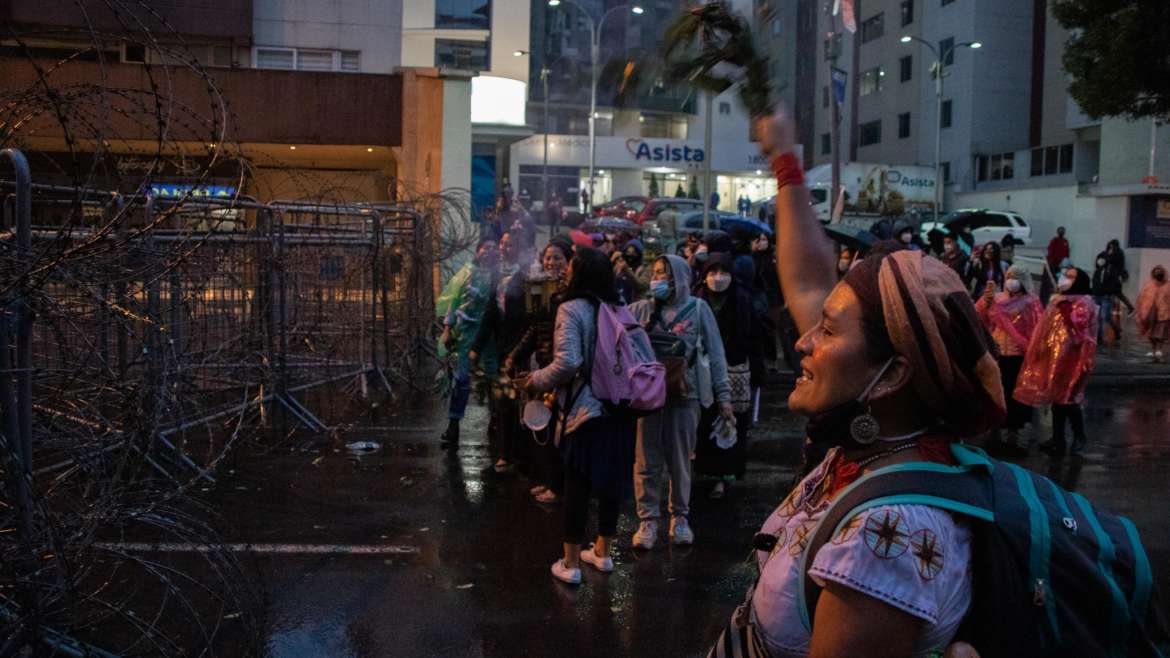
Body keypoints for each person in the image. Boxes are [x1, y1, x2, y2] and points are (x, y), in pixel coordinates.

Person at [712, 107, 1006, 658]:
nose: (802, 342)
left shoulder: (888, 534)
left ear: (892, 375)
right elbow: (807, 281)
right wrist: (784, 160)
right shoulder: (876, 443)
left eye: (826, 330)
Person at [523, 247, 638, 585]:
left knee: (577, 484)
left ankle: (570, 563)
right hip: (621, 406)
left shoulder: (571, 309)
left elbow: (568, 361)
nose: (566, 272)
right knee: (612, 482)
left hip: (586, 410)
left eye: (571, 267)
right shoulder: (619, 307)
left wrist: (535, 380)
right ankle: (602, 552)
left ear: (580, 274)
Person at [629, 255, 734, 548]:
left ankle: (680, 517)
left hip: (687, 395)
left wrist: (724, 396)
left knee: (681, 460)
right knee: (646, 460)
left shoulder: (698, 309)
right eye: (656, 273)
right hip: (648, 397)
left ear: (681, 277)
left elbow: (716, 354)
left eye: (665, 274)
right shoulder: (641, 309)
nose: (658, 279)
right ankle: (648, 520)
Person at [694, 254, 763, 499]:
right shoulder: (697, 298)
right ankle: (704, 472)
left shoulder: (742, 299)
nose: (718, 277)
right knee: (703, 422)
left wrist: (757, 372)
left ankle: (723, 477)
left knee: (729, 423)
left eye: (723, 272)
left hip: (734, 369)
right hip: (702, 371)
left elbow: (753, 337)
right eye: (713, 272)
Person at [510, 241, 574, 503]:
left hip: (561, 368)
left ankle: (559, 487)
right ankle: (550, 482)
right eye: (548, 258)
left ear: (569, 262)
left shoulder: (570, 294)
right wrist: (515, 355)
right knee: (543, 426)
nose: (551, 263)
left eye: (558, 258)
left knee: (559, 430)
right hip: (543, 364)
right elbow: (536, 328)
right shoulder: (541, 290)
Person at [1014, 267, 1098, 458]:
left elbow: (1080, 333)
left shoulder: (1084, 302)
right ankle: (1057, 438)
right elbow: (1046, 328)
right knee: (1056, 398)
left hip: (1074, 360)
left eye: (1070, 277)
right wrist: (1040, 349)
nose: (1065, 279)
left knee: (1069, 399)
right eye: (1065, 275)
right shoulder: (1057, 300)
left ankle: (1078, 435)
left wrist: (1066, 309)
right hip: (1054, 358)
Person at [469, 232, 534, 472]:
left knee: (519, 403)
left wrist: (517, 352)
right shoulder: (498, 275)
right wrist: (476, 347)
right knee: (504, 402)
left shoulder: (527, 277)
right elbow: (490, 313)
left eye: (511, 244)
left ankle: (518, 455)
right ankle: (507, 454)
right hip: (502, 348)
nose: (505, 248)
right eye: (503, 244)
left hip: (522, 350)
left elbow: (530, 321)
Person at [437, 239, 499, 450]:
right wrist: (447, 329)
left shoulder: (500, 276)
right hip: (466, 336)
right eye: (486, 247)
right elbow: (453, 302)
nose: (490, 251)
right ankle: (453, 426)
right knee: (461, 380)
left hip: (490, 337)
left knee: (492, 379)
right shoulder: (465, 273)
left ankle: (496, 421)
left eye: (494, 247)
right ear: (478, 251)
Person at [975, 267, 1044, 454]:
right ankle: (995, 427)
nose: (1012, 281)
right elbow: (978, 317)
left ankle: (1014, 429)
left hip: (1018, 355)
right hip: (997, 353)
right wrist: (985, 302)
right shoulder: (996, 299)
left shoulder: (1031, 302)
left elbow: (1037, 328)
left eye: (1016, 278)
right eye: (1009, 277)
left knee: (1015, 394)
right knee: (996, 392)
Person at [1091, 242, 1131, 345]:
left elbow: (1113, 283)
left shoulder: (1111, 269)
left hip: (1106, 296)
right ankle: (1098, 337)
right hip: (1097, 296)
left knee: (1105, 317)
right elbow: (1095, 282)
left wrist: (1108, 292)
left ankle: (1116, 330)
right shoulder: (1098, 270)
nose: (1100, 261)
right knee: (1098, 317)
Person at [1135, 265, 1170, 363]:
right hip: (1149, 314)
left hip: (1164, 314)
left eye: (1160, 272)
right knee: (1151, 335)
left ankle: (1159, 352)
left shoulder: (1168, 286)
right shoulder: (1148, 285)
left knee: (1161, 335)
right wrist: (1140, 312)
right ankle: (1154, 352)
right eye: (1156, 272)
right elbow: (1141, 298)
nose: (1158, 274)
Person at [614, 238, 650, 304]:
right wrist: (612, 260)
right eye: (628, 252)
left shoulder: (645, 268)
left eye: (634, 253)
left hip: (633, 305)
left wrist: (626, 270)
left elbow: (641, 286)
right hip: (619, 304)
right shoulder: (619, 265)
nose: (630, 255)